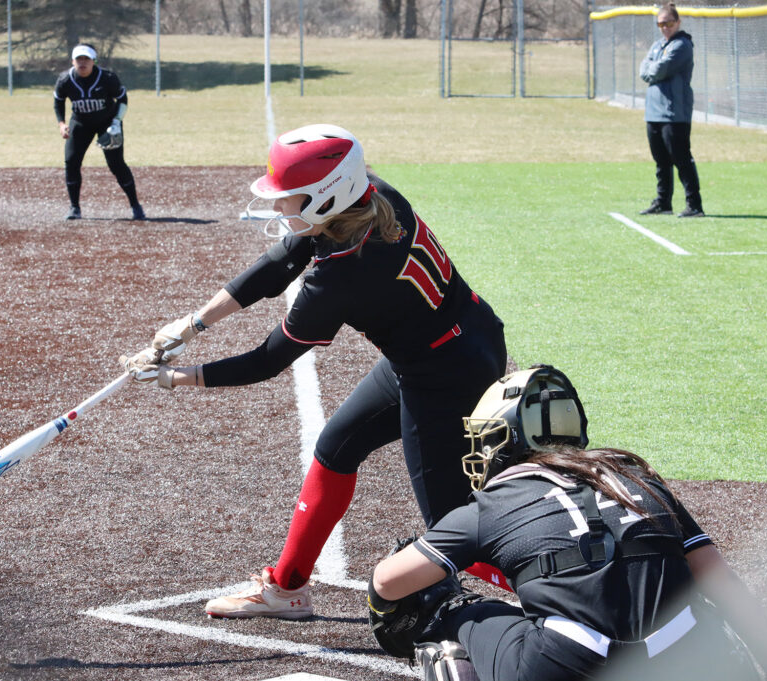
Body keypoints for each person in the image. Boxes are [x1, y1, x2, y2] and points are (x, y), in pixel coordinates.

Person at [121, 124, 508, 619]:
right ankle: (286, 588)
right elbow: (281, 260)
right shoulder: (369, 196)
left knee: (449, 532)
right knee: (335, 450)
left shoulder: (342, 277)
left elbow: (268, 361)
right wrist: (193, 324)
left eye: (290, 199)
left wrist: (178, 378)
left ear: (325, 200)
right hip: (450, 343)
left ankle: (571, 587)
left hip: (443, 375)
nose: (279, 208)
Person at [367, 365, 767, 681]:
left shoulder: (493, 502)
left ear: (506, 440)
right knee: (701, 610)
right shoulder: (631, 473)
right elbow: (717, 577)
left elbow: (388, 582)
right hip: (681, 660)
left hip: (567, 665)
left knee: (459, 610)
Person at [53, 43, 144, 221]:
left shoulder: (107, 78)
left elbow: (122, 98)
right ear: (73, 61)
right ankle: (74, 208)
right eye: (79, 59)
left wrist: (117, 121)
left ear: (94, 61)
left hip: (107, 123)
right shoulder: (65, 80)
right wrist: (62, 124)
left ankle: (135, 205)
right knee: (71, 161)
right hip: (80, 123)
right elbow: (58, 101)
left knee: (116, 164)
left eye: (86, 59)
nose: (83, 63)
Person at [638, 3, 704, 218]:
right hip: (653, 111)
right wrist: (651, 69)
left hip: (674, 112)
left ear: (678, 22)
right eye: (661, 24)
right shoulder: (658, 45)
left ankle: (694, 205)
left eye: (669, 23)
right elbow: (643, 69)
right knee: (661, 160)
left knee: (681, 157)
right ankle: (663, 202)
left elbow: (660, 68)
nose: (665, 27)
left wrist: (652, 69)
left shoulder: (682, 45)